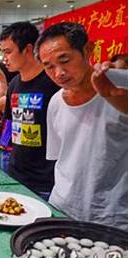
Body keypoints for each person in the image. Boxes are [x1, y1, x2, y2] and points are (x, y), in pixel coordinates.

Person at [36, 22, 127, 229]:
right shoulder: (56, 102)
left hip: (113, 218)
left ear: (88, 50)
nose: (58, 73)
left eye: (65, 60)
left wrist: (116, 97)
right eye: (49, 66)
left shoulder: (122, 86)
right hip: (62, 209)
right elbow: (61, 158)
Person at [0, 21, 60, 200]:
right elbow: (11, 125)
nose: (4, 58)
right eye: (3, 52)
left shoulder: (52, 84)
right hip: (16, 173)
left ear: (28, 49)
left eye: (8, 52)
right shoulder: (15, 84)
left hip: (44, 181)